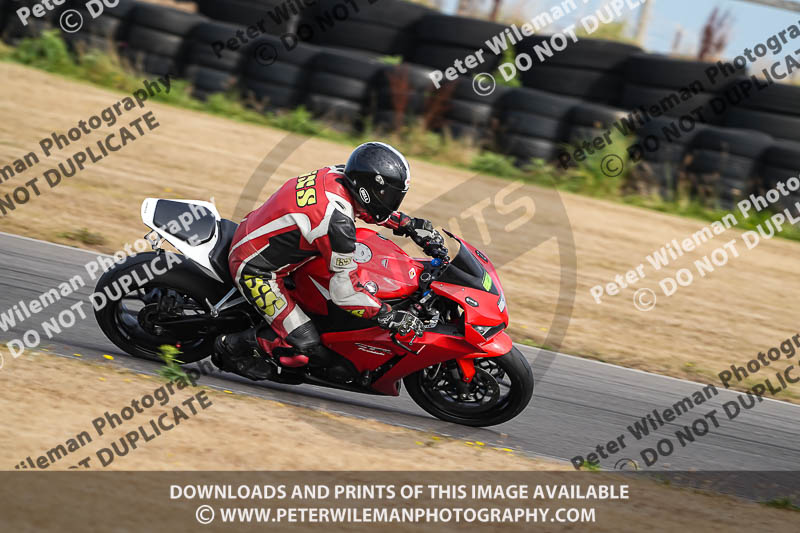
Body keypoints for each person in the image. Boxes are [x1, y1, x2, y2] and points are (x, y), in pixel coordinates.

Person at [214, 142, 447, 373]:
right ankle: (230, 346)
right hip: (256, 269)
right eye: (386, 195)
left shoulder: (340, 173)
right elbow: (345, 294)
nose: (390, 201)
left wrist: (406, 224)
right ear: (367, 189)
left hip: (267, 235)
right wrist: (388, 315)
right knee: (304, 345)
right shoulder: (337, 222)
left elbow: (365, 206)